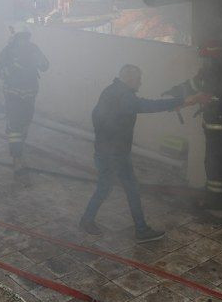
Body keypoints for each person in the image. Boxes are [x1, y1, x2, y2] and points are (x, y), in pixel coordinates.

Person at [79, 64, 199, 242]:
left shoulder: (111, 90)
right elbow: (148, 105)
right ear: (129, 79)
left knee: (109, 187)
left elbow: (95, 114)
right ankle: (140, 230)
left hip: (107, 150)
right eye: (138, 79)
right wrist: (182, 101)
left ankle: (87, 220)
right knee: (128, 189)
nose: (140, 83)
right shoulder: (124, 96)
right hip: (115, 153)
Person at [164, 41, 222, 224]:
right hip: (211, 131)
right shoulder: (205, 76)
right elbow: (190, 86)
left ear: (217, 59)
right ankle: (214, 202)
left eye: (207, 60)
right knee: (212, 166)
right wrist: (172, 92)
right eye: (203, 60)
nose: (204, 63)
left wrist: (221, 100)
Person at [0, 27, 49, 174]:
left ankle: (20, 149)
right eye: (21, 38)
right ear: (15, 39)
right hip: (13, 95)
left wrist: (38, 60)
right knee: (14, 127)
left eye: (26, 38)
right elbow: (1, 73)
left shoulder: (34, 49)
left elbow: (45, 66)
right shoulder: (7, 52)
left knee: (25, 124)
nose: (25, 42)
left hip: (30, 94)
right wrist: (16, 65)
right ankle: (17, 159)